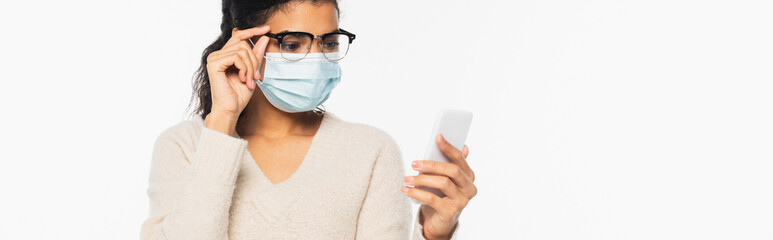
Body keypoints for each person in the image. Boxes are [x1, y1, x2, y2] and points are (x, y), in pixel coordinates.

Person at [140, 0, 477, 239]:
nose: (316, 59)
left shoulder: (370, 151)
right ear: (243, 43)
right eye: (292, 44)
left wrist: (434, 236)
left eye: (328, 43)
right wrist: (223, 121)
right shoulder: (184, 147)